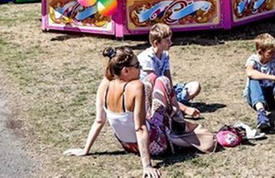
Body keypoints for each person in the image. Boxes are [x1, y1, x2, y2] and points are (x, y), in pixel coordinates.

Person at [64, 46, 176, 178]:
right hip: (156, 144)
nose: (140, 68)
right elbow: (140, 128)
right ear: (126, 70)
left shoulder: (105, 84)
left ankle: (170, 115)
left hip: (127, 145)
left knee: (151, 77)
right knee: (163, 81)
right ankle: (179, 119)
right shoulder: (136, 86)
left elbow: (99, 120)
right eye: (137, 65)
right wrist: (147, 166)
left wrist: (85, 150)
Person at [138, 24, 201, 116]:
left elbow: (168, 76)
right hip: (150, 93)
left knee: (195, 86)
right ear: (156, 43)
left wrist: (172, 93)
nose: (171, 43)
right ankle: (174, 105)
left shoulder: (165, 55)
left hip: (163, 88)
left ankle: (172, 103)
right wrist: (185, 109)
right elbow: (152, 86)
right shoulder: (147, 58)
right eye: (167, 41)